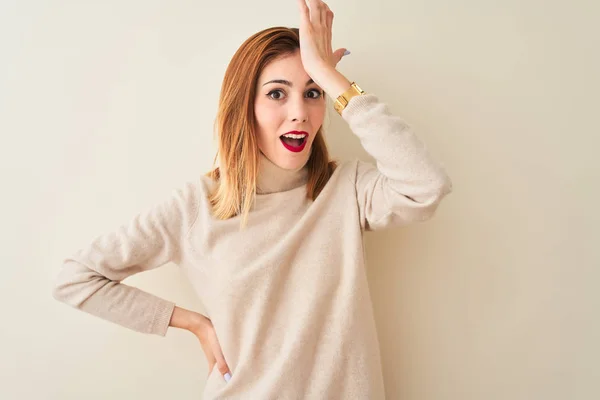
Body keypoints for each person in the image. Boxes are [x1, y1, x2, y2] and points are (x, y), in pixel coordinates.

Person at [52, 0, 453, 398]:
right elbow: (76, 279)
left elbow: (426, 186)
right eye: (277, 94)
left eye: (312, 93)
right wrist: (196, 324)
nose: (299, 112)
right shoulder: (196, 207)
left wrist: (332, 79)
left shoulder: (346, 188)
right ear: (245, 106)